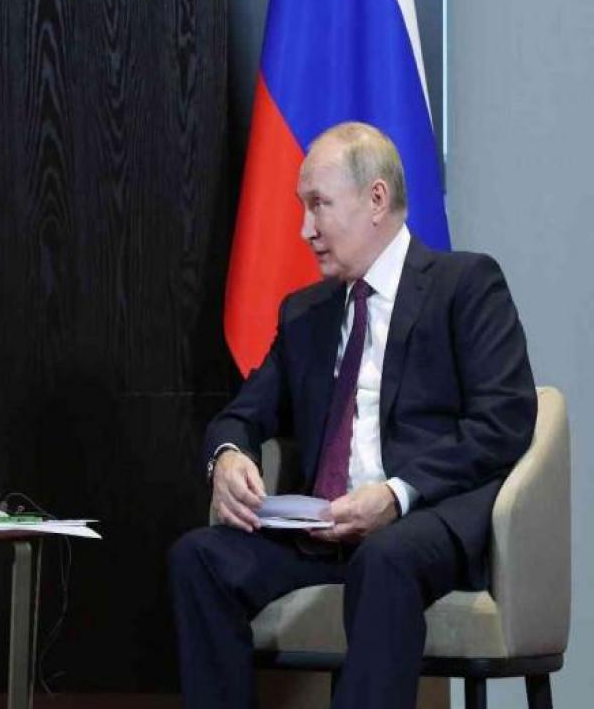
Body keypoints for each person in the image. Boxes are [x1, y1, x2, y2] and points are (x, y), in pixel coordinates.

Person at [169, 122, 536, 709]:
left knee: (384, 559)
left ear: (376, 200)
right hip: (319, 535)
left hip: (421, 524)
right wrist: (228, 456)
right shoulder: (305, 314)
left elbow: (504, 421)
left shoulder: (464, 285)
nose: (304, 228)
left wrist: (395, 495)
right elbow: (243, 414)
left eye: (318, 204)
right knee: (199, 558)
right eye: (302, 207)